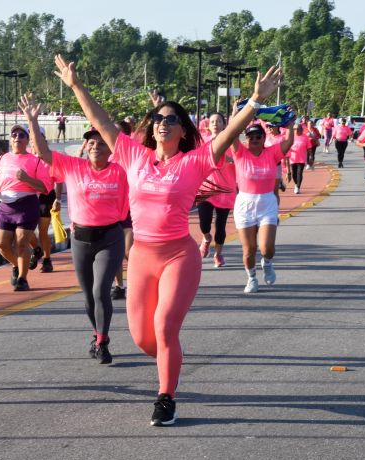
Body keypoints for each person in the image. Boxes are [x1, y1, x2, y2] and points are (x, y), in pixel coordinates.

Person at [55, 53, 282, 426]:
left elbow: (227, 136)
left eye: (171, 118)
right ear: (152, 126)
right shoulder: (133, 155)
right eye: (158, 118)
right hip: (142, 255)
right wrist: (76, 85)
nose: (163, 122)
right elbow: (100, 120)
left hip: (178, 255)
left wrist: (255, 101)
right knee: (145, 339)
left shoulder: (194, 162)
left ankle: (165, 398)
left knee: (164, 329)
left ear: (182, 129)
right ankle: (167, 358)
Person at [21, 94, 129, 364]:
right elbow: (43, 152)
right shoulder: (73, 166)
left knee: (100, 290)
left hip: (110, 237)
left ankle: (103, 342)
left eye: (101, 142)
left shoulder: (121, 170)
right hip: (80, 239)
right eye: (91, 142)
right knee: (88, 294)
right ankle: (97, 334)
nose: (95, 146)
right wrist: (32, 121)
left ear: (110, 148)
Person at [230, 121, 294, 293]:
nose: (254, 139)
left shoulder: (272, 153)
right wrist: (236, 115)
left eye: (258, 136)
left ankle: (267, 262)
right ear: (246, 138)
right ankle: (251, 278)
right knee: (249, 249)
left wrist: (290, 125)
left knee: (267, 248)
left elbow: (288, 143)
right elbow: (232, 133)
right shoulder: (240, 153)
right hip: (244, 203)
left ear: (264, 138)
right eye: (251, 136)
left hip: (267, 203)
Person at [0, 124, 51, 291]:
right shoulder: (1, 159)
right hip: (5, 206)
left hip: (26, 205)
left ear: (27, 140)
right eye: (14, 134)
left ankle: (22, 279)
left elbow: (45, 187)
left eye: (21, 135)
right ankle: (17, 265)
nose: (17, 137)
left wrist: (27, 179)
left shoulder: (36, 161)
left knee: (22, 243)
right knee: (1, 244)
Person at [197, 112, 236, 267]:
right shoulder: (202, 141)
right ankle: (206, 238)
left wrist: (226, 159)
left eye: (218, 121)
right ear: (208, 124)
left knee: (220, 226)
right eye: (212, 121)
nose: (215, 123)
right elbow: (197, 159)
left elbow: (237, 159)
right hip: (205, 187)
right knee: (203, 223)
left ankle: (218, 254)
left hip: (225, 189)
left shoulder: (230, 142)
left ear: (223, 124)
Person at [27, 126, 60, 274]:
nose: (35, 142)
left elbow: (59, 180)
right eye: (32, 139)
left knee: (43, 231)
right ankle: (36, 249)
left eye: (38, 138)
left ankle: (47, 259)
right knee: (25, 230)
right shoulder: (26, 156)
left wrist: (57, 199)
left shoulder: (51, 158)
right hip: (27, 196)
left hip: (46, 197)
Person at [111, 120, 134, 300]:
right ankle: (119, 285)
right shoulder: (105, 156)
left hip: (130, 210)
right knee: (116, 252)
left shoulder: (133, 155)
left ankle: (136, 281)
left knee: (128, 251)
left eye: (118, 132)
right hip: (110, 210)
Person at [288, 122, 312, 194]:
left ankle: (298, 187)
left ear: (301, 129)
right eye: (294, 129)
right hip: (292, 158)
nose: (295, 130)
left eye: (297, 129)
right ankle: (296, 184)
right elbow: (287, 146)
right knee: (293, 174)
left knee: (299, 173)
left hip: (301, 158)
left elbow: (309, 148)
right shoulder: (291, 137)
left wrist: (310, 156)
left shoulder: (305, 137)